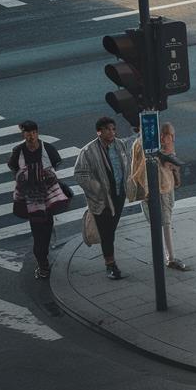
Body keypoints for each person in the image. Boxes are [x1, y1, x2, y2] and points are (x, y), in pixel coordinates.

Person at [8, 120, 68, 279]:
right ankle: (42, 263)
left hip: (47, 196)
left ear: (37, 132)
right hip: (31, 198)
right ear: (23, 134)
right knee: (38, 231)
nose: (31, 136)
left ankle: (43, 259)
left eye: (33, 132)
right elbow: (13, 169)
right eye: (28, 133)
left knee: (46, 228)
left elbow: (57, 164)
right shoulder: (18, 151)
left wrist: (46, 176)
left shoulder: (47, 148)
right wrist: (24, 177)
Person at [74, 116, 132, 280]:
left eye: (113, 129)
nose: (111, 132)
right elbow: (80, 174)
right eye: (107, 129)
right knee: (107, 233)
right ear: (99, 131)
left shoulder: (119, 144)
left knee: (111, 230)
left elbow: (127, 159)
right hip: (100, 199)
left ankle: (110, 259)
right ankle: (110, 265)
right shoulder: (88, 151)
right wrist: (98, 189)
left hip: (119, 195)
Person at [129, 122, 187, 271]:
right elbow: (138, 169)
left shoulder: (155, 140)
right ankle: (170, 257)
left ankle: (167, 256)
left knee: (165, 221)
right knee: (164, 222)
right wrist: (147, 191)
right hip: (156, 189)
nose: (171, 138)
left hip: (165, 185)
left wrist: (176, 174)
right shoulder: (142, 143)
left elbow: (170, 158)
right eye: (169, 135)